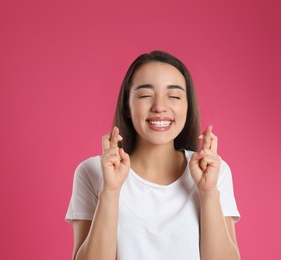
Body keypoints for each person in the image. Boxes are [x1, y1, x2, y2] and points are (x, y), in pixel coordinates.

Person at [65, 50, 240, 260]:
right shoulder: (92, 172)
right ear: (127, 106)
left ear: (187, 106)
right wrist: (110, 191)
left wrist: (208, 192)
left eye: (174, 96)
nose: (159, 107)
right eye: (145, 95)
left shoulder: (213, 172)